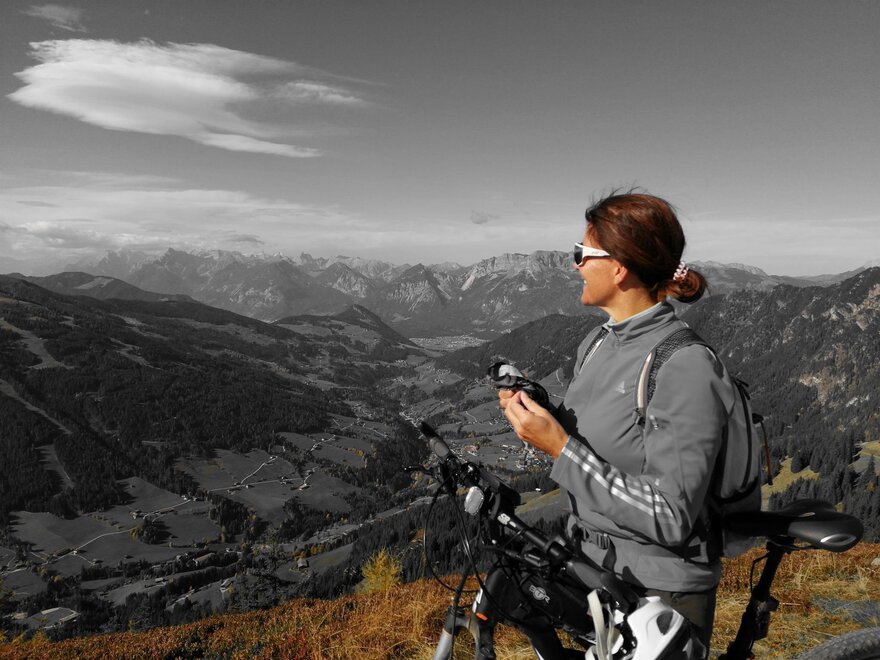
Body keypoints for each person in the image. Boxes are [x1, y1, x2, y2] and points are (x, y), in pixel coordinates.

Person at [499, 191, 736, 656]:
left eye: (581, 253)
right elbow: (603, 436)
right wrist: (540, 413)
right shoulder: (598, 341)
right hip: (594, 566)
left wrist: (560, 448)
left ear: (620, 267)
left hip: (659, 588)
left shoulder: (684, 364)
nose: (575, 265)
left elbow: (670, 515)